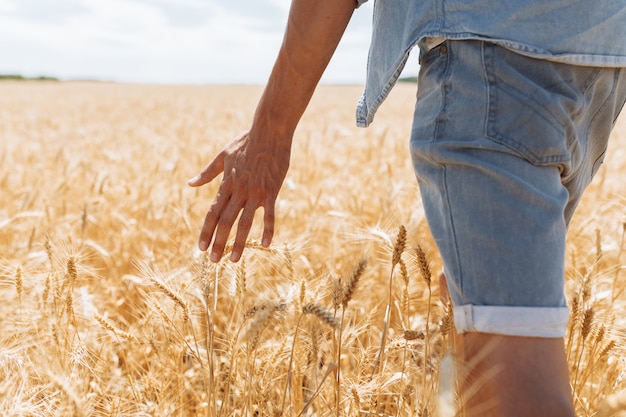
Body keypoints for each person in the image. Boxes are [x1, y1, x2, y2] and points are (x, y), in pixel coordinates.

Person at [188, 0, 626, 415]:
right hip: (602, 56)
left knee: (518, 388)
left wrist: (270, 133)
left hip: (492, 60)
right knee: (478, 329)